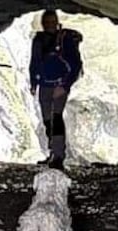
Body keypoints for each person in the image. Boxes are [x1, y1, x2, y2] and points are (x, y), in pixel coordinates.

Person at [28, 9, 83, 170]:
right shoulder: (39, 39)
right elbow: (34, 61)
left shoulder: (65, 39)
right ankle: (53, 152)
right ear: (43, 24)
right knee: (47, 120)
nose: (49, 25)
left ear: (57, 22)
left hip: (59, 85)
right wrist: (33, 82)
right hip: (44, 85)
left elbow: (75, 65)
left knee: (56, 118)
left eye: (52, 22)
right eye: (47, 22)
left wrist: (65, 86)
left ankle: (58, 156)